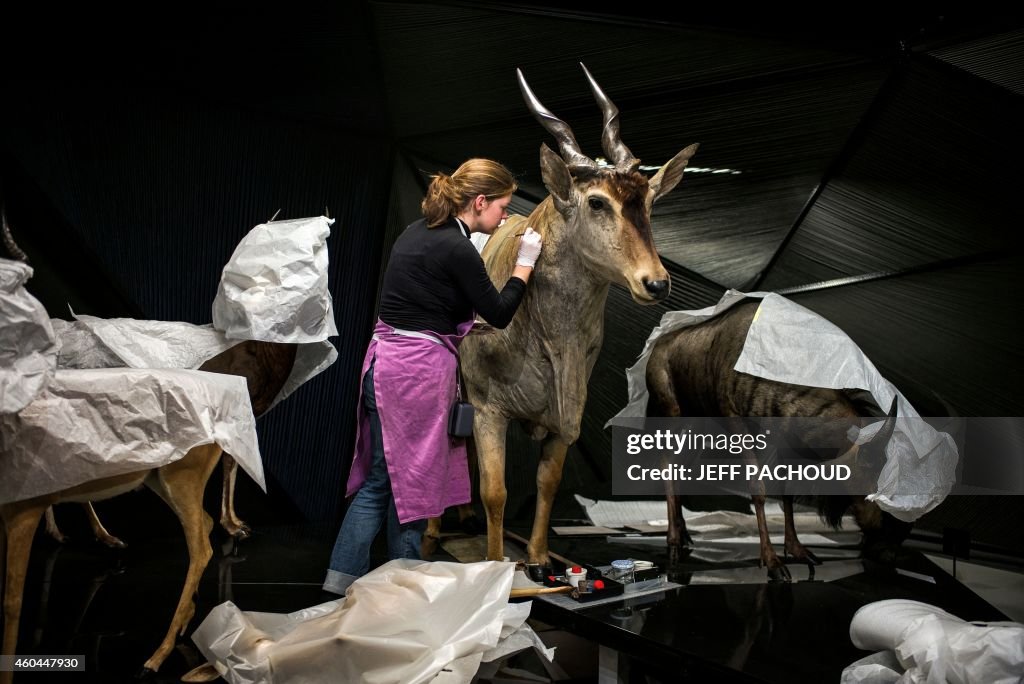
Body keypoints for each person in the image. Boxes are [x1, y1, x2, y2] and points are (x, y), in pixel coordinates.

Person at [323, 158, 542, 595]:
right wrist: (524, 265)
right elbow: (499, 314)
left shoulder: (416, 232)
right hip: (414, 376)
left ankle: (341, 583)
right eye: (501, 207)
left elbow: (424, 299)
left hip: (384, 364)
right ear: (479, 202)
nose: (503, 217)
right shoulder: (457, 248)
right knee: (412, 480)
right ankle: (404, 587)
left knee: (384, 479)